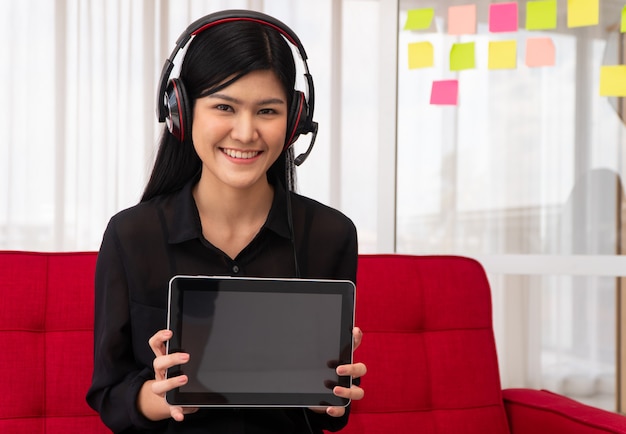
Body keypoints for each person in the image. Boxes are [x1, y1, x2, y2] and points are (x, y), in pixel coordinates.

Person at [86, 9, 366, 434]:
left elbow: (331, 416)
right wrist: (160, 396)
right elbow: (110, 396)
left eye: (268, 111)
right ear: (182, 111)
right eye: (224, 106)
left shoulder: (331, 235)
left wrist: (334, 394)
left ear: (293, 122)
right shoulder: (132, 235)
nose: (245, 132)